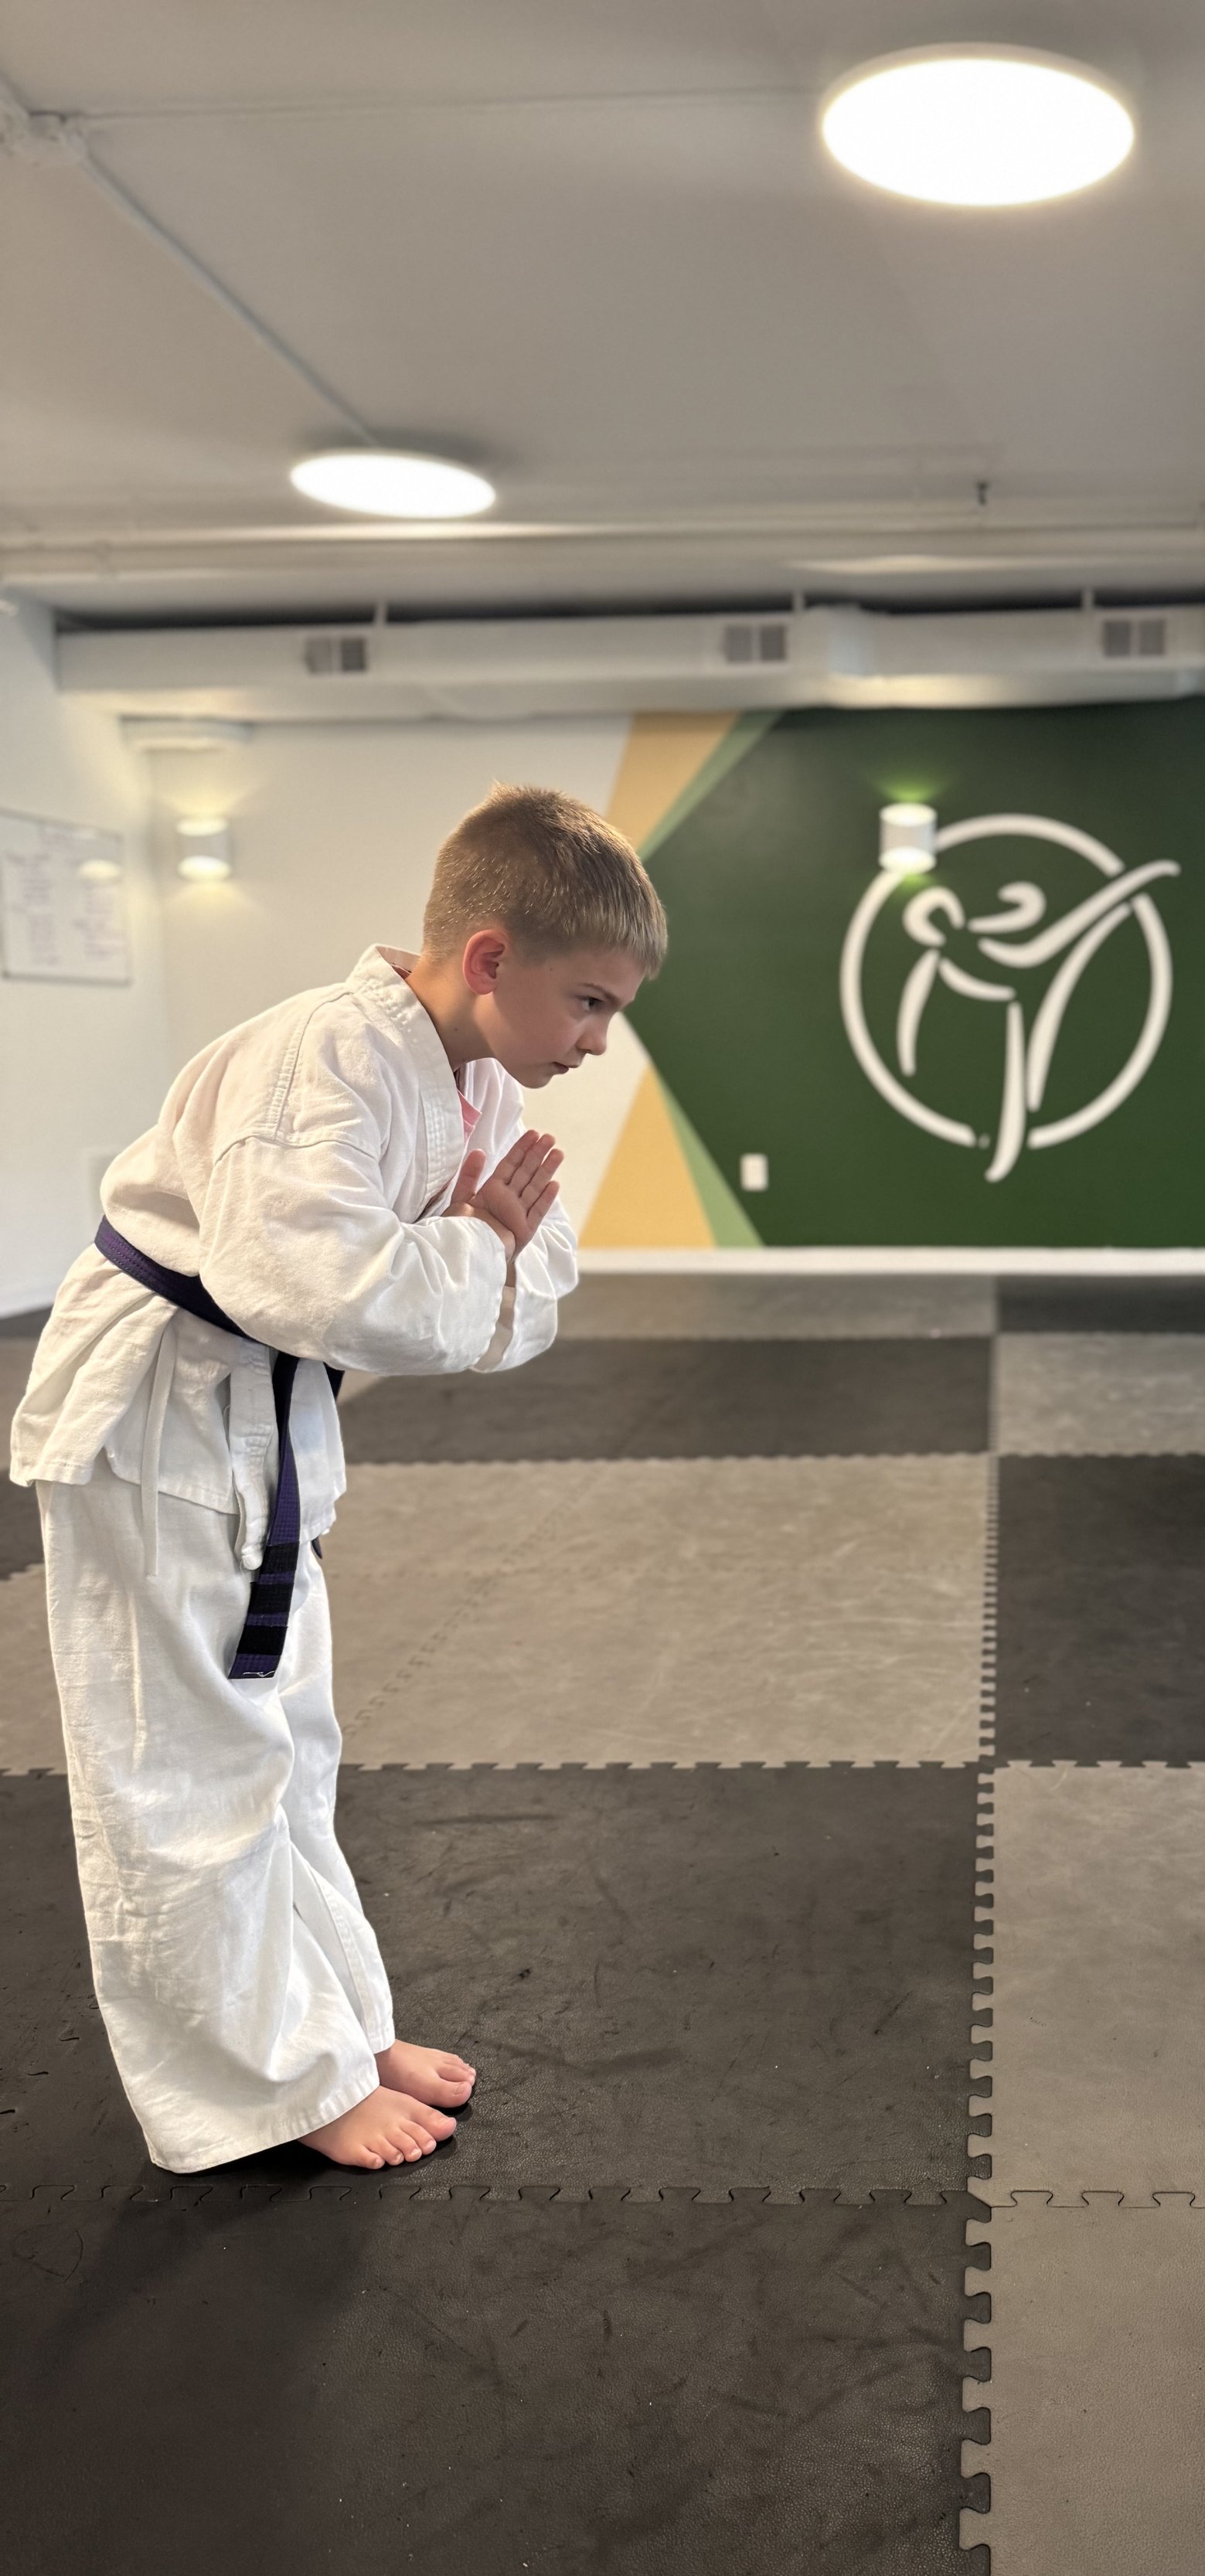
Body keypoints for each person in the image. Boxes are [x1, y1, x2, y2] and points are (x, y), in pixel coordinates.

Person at [11, 784, 665, 2175]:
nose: (600, 1042)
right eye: (590, 1002)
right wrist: (468, 1249)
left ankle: (332, 2026)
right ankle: (260, 2087)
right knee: (185, 1769)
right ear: (492, 958)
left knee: (290, 1748)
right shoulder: (324, 1063)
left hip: (255, 1423)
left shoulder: (471, 1073)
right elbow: (312, 1284)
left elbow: (528, 1282)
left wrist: (477, 1250)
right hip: (163, 1423)